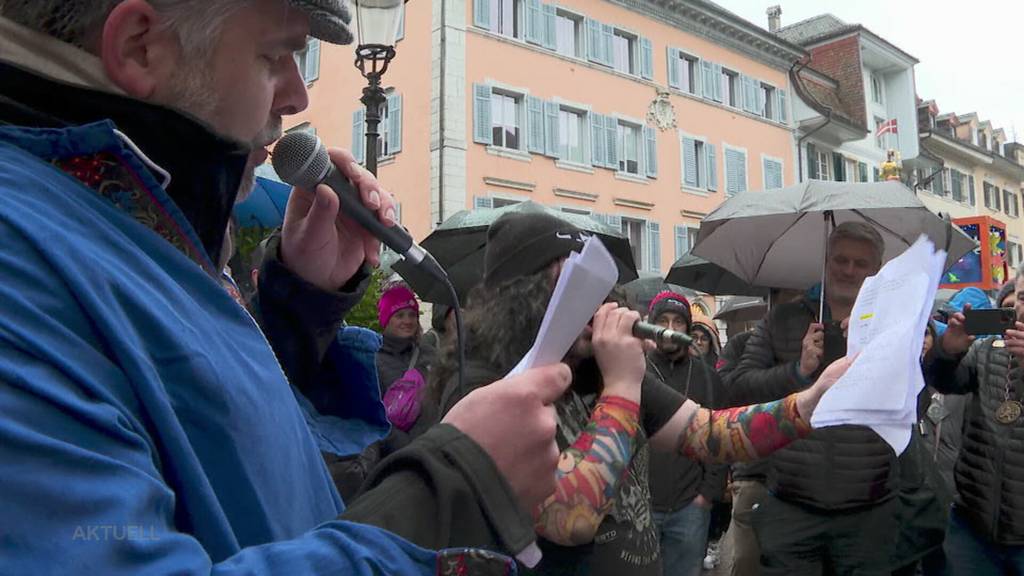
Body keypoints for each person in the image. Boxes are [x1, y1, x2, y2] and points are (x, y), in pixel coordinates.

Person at [0, 1, 570, 573]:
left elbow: (208, 442)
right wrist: (452, 488)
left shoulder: (125, 208)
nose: (298, 96)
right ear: (139, 47)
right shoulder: (17, 254)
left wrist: (301, 305)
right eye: (275, 56)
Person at [431, 211, 851, 575]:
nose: (592, 308)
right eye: (570, 290)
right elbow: (568, 519)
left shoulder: (594, 369)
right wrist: (622, 386)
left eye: (595, 291)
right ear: (521, 299)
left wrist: (812, 401)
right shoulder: (480, 385)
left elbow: (709, 433)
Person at [726, 221, 900, 576]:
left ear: (876, 270)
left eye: (860, 263)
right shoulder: (782, 319)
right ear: (826, 261)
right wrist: (798, 371)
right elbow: (738, 388)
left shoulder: (894, 325)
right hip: (791, 506)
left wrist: (877, 351)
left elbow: (917, 402)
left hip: (869, 510)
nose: (849, 270)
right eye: (841, 260)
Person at [928, 267, 1024, 575]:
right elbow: (944, 383)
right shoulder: (987, 350)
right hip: (974, 528)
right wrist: (947, 351)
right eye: (1022, 297)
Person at [646, 292, 728, 576]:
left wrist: (707, 495)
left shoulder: (707, 376)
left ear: (687, 328)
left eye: (678, 321)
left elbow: (720, 437)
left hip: (690, 507)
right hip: (641, 509)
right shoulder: (635, 369)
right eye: (663, 320)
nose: (670, 327)